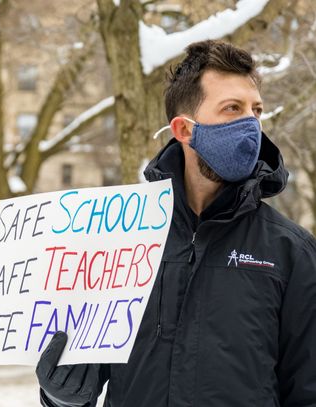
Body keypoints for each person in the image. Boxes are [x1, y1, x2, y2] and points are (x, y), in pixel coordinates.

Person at [35, 40, 316, 407]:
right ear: (184, 130)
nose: (250, 125)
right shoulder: (121, 239)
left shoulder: (290, 251)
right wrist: (61, 398)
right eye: (232, 108)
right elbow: (85, 371)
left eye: (256, 110)